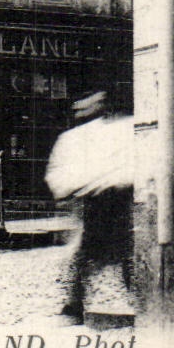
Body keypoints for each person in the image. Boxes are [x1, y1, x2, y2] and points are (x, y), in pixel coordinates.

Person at [45, 91, 133, 321]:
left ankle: (142, 302)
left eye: (95, 104)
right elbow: (58, 174)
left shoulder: (126, 128)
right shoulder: (71, 138)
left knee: (130, 253)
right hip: (89, 203)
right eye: (82, 107)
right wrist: (72, 190)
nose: (86, 111)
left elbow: (133, 163)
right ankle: (73, 306)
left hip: (121, 199)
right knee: (81, 255)